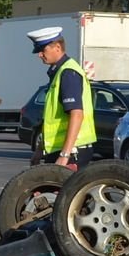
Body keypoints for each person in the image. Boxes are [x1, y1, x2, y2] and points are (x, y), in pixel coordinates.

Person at [27, 26, 96, 171]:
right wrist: (39, 151)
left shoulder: (68, 73)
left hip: (72, 151)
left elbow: (76, 114)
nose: (39, 55)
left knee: (65, 193)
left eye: (42, 50)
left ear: (57, 47)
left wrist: (65, 154)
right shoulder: (59, 72)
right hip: (63, 149)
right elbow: (52, 120)